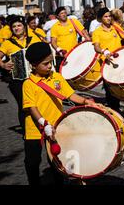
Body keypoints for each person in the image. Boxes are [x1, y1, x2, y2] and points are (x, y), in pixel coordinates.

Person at [22, 42, 97, 185]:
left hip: (57, 125)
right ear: (33, 65)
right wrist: (43, 123)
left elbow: (70, 95)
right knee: (33, 161)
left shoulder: (56, 77)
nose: (49, 66)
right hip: (35, 129)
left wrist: (85, 101)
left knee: (57, 160)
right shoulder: (28, 84)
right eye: (45, 64)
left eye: (50, 62)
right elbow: (32, 107)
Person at [0, 16, 41, 129]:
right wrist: (3, 65)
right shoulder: (8, 43)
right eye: (14, 26)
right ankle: (26, 130)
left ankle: (39, 126)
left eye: (19, 25)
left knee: (38, 103)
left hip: (35, 78)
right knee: (24, 105)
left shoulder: (34, 39)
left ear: (24, 27)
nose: (17, 28)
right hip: (17, 80)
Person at [92, 8, 123, 112]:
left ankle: (116, 106)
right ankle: (114, 110)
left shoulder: (116, 28)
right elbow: (96, 47)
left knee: (119, 85)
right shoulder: (97, 32)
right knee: (110, 89)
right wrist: (104, 52)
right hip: (106, 63)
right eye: (105, 16)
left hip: (119, 60)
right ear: (101, 18)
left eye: (109, 16)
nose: (108, 18)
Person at [51, 7, 91, 71]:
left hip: (74, 54)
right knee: (61, 76)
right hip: (61, 56)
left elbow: (84, 33)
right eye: (61, 13)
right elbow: (53, 42)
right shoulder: (54, 27)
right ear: (57, 16)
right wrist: (59, 50)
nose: (64, 14)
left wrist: (90, 45)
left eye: (65, 13)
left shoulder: (73, 21)